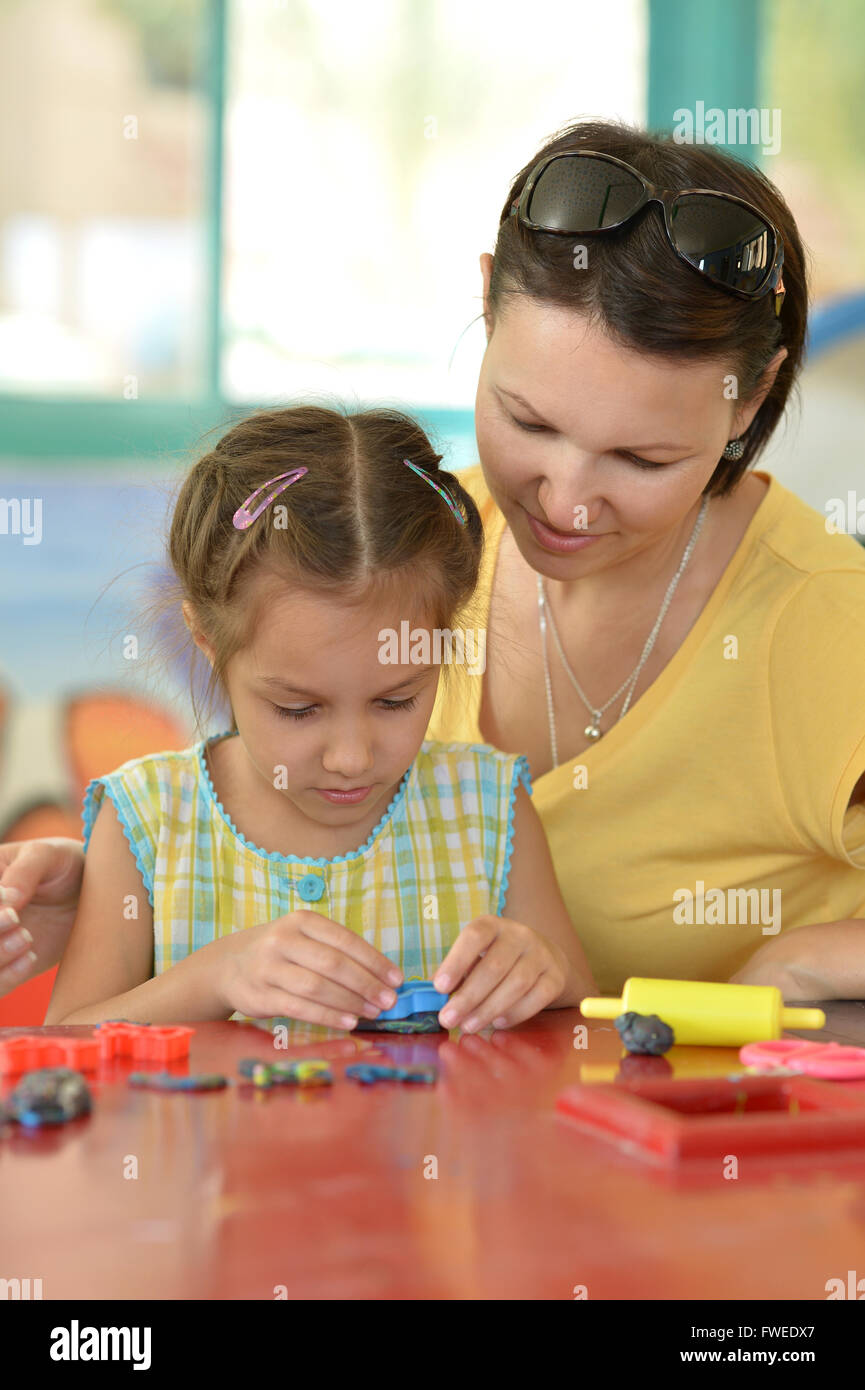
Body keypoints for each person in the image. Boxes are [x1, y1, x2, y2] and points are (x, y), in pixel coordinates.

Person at [5, 117, 865, 1005]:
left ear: (750, 396)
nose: (563, 502)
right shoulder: (405, 543)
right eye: (529, 423)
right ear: (488, 302)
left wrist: (803, 962)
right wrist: (126, 885)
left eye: (642, 461)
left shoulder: (826, 628)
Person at [34, 405, 594, 1028]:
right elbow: (64, 1044)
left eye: (396, 700)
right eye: (298, 709)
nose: (351, 757)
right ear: (206, 638)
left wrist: (544, 969)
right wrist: (216, 976)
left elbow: (576, 1006)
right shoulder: (149, 820)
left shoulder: (489, 808)